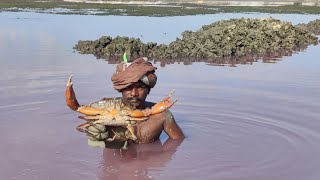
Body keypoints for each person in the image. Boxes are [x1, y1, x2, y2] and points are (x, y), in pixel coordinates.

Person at [87, 57, 184, 148]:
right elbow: (94, 137)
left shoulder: (162, 116)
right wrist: (96, 135)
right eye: (128, 87)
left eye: (140, 87)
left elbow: (178, 142)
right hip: (113, 165)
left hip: (148, 163)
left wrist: (162, 161)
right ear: (121, 89)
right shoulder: (106, 111)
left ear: (148, 90)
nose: (134, 93)